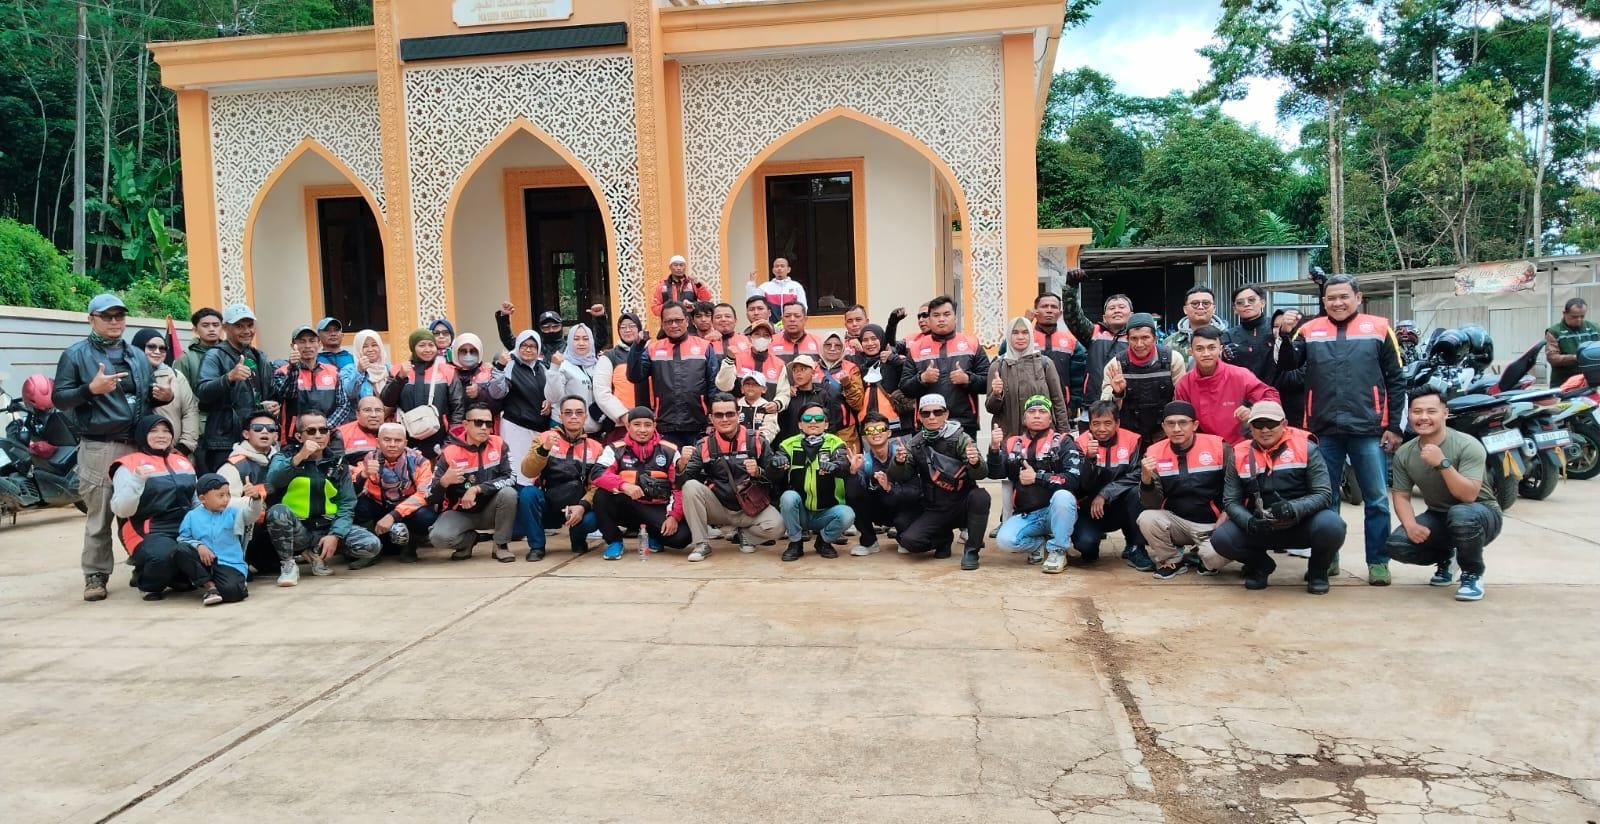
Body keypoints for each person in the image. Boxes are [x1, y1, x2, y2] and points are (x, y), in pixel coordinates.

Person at [1275, 274, 1404, 585]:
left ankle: (1378, 562)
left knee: (1376, 498)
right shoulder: (1309, 330)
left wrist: (1395, 426)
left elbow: (1396, 380)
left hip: (1368, 428)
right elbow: (1287, 365)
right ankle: (1327, 558)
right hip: (1323, 428)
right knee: (1325, 498)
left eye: (1344, 296)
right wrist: (1284, 333)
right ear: (1324, 302)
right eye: (1331, 298)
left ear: (1358, 298)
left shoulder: (1379, 328)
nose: (1337, 302)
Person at [54, 293, 172, 601]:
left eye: (119, 316)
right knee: (101, 513)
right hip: (100, 445)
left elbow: (147, 399)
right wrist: (89, 389)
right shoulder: (76, 355)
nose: (115, 321)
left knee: (140, 511)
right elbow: (59, 398)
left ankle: (143, 564)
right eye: (107, 316)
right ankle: (95, 574)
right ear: (91, 319)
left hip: (138, 445)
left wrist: (164, 396)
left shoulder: (137, 355)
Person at [1209, 401, 1344, 593]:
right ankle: (1261, 566)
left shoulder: (1307, 448)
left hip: (1301, 522)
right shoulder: (1238, 453)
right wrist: (1249, 522)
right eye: (1258, 424)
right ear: (1250, 427)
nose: (1265, 429)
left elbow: (1323, 494)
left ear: (1284, 424)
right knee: (1221, 538)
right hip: (1260, 524)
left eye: (1271, 424)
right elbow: (1231, 500)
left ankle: (1318, 572)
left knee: (1332, 525)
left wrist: (1293, 508)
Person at [1384, 389, 1502, 602]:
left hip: (1482, 514)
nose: (1423, 417)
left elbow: (1468, 495)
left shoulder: (1468, 445)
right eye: (1417, 412)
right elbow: (1401, 495)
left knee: (1461, 515)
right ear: (1409, 415)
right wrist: (1410, 526)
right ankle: (1448, 557)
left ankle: (1472, 573)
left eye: (1431, 411)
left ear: (1445, 413)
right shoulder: (1405, 453)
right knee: (1397, 545)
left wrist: (1442, 463)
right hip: (1439, 516)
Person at [264, 412, 382, 585]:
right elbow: (273, 480)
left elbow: (347, 503)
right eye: (311, 431)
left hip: (327, 528)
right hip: (299, 531)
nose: (318, 435)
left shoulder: (338, 463)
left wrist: (336, 534)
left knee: (371, 545)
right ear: (299, 436)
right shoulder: (284, 457)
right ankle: (289, 565)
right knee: (277, 512)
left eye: (323, 430)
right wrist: (299, 457)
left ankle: (317, 555)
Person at [888, 395, 991, 569]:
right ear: (919, 416)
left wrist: (975, 463)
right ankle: (943, 539)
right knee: (909, 541)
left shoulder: (961, 438)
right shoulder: (915, 444)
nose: (932, 417)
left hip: (962, 504)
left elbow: (981, 474)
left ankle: (972, 551)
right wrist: (898, 461)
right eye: (926, 413)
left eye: (937, 412)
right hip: (936, 507)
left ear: (946, 414)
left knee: (981, 497)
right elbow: (900, 476)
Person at [680, 394, 787, 560]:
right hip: (719, 507)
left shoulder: (757, 440)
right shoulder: (703, 445)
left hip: (750, 508)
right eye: (719, 415)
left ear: (738, 415)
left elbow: (775, 479)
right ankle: (701, 544)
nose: (725, 419)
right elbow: (683, 482)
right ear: (711, 418)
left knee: (778, 527)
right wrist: (681, 464)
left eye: (730, 414)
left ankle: (745, 536)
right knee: (691, 487)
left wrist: (759, 472)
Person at [989, 395, 1089, 573]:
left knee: (1064, 496)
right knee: (1005, 541)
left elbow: (1073, 479)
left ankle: (1058, 550)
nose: (1037, 415)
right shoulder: (1013, 443)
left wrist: (1038, 477)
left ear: (1050, 418)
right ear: (1024, 418)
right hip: (1028, 515)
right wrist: (995, 450)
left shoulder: (1064, 442)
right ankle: (1039, 545)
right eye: (1032, 411)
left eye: (1042, 412)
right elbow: (996, 473)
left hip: (1057, 512)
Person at [1135, 401, 1231, 580]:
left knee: (1213, 558)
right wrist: (1146, 479)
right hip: (1177, 522)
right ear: (1164, 426)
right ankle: (1172, 560)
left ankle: (1202, 557)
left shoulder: (1218, 447)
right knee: (1147, 518)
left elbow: (1236, 489)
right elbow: (1152, 504)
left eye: (1183, 423)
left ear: (1194, 425)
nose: (1176, 429)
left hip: (1213, 524)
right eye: (1170, 423)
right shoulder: (1154, 452)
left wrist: (1227, 514)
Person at [109, 416, 197, 601]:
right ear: (142, 435)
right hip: (148, 529)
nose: (161, 436)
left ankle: (176, 575)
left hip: (183, 525)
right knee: (163, 555)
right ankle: (147, 582)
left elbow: (195, 501)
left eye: (166, 431)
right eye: (154, 431)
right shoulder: (129, 464)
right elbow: (122, 510)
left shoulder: (182, 461)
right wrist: (137, 481)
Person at [591, 407, 691, 560]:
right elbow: (597, 473)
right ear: (628, 426)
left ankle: (653, 534)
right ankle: (614, 541)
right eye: (637, 424)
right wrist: (624, 485)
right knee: (601, 495)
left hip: (656, 507)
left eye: (647, 424)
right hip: (627, 505)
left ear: (654, 426)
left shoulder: (670, 450)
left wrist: (674, 517)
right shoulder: (614, 448)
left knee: (682, 538)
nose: (642, 430)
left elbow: (679, 486)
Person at [424, 403, 519, 561]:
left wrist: (477, 489)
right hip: (461, 512)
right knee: (438, 538)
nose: (484, 428)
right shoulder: (449, 452)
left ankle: (501, 545)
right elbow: (429, 496)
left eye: (488, 424)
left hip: (492, 509)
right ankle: (468, 541)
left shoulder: (498, 444)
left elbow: (511, 477)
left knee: (509, 494)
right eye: (478, 422)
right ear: (465, 425)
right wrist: (444, 482)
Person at [517, 395, 604, 561]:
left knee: (593, 517)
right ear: (560, 416)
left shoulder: (596, 447)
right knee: (527, 493)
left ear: (585, 416)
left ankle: (578, 540)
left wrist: (583, 506)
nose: (573, 416)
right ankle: (536, 547)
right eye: (568, 412)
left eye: (579, 413)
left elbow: (597, 486)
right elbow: (527, 471)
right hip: (548, 503)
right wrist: (544, 449)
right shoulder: (544, 438)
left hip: (577, 506)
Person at [771, 401, 855, 562]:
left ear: (826, 424)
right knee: (788, 497)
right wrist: (777, 463)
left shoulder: (835, 443)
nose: (813, 422)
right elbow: (773, 471)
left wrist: (834, 466)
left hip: (826, 511)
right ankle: (795, 543)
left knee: (847, 515)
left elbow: (843, 463)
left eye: (818, 418)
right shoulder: (788, 444)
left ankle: (823, 541)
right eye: (807, 418)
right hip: (800, 512)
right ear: (800, 424)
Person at [197, 303, 272, 475]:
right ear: (225, 328)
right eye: (239, 326)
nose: (246, 331)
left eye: (250, 325)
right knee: (226, 491)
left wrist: (272, 404)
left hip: (256, 436)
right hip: (225, 440)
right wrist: (228, 377)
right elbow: (202, 391)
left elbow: (264, 394)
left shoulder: (258, 356)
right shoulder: (214, 355)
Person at [629, 302, 716, 449]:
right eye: (669, 321)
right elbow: (634, 376)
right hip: (666, 425)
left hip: (698, 425)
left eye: (678, 320)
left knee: (698, 469)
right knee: (671, 469)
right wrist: (637, 347)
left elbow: (714, 385)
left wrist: (712, 419)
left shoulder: (704, 346)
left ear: (687, 321)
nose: (674, 325)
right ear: (662, 324)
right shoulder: (652, 349)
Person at [1173, 325, 1279, 445]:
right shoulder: (1184, 384)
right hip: (1204, 448)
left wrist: (1254, 411)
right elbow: (1181, 420)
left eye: (1212, 348)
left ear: (1220, 349)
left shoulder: (1239, 375)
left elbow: (1271, 397)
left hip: (1240, 446)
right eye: (1199, 349)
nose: (1206, 353)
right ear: (1191, 352)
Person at [900, 295, 989, 438]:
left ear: (955, 317)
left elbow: (987, 383)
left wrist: (968, 379)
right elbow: (905, 387)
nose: (941, 319)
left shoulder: (972, 344)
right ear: (929, 319)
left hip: (964, 424)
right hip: (927, 423)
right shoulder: (916, 348)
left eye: (946, 314)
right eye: (936, 315)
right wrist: (922, 378)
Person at [1073, 401, 1148, 569]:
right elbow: (1079, 485)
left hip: (1120, 506)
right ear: (1089, 425)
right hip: (1089, 509)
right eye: (1096, 424)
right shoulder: (1079, 443)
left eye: (1108, 423)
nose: (1101, 429)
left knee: (1138, 491)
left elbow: (1137, 474)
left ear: (1118, 423)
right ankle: (1092, 542)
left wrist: (1105, 493)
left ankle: (1136, 546)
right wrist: (1089, 461)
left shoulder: (1131, 440)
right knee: (1086, 548)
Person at [354, 422, 437, 563]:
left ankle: (410, 546)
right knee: (360, 504)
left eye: (398, 440)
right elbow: (351, 489)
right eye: (387, 440)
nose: (392, 444)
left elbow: (424, 494)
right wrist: (363, 475)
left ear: (405, 443)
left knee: (426, 516)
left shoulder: (419, 462)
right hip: (380, 507)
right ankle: (370, 549)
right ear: (378, 442)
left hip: (406, 510)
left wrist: (394, 515)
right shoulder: (369, 460)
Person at [176, 473, 261, 605]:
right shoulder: (192, 516)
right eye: (220, 495)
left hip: (229, 563)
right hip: (205, 561)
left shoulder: (233, 513)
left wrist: (256, 498)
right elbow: (183, 539)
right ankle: (210, 587)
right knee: (180, 550)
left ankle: (231, 584)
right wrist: (199, 546)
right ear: (203, 499)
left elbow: (252, 515)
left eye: (228, 494)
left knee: (233, 593)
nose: (226, 499)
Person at [844, 411, 921, 556]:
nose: (875, 433)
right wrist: (853, 473)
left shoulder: (903, 454)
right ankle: (869, 541)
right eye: (870, 430)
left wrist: (891, 488)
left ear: (889, 432)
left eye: (880, 429)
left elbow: (916, 491)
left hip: (903, 507)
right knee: (854, 495)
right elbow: (853, 495)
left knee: (906, 531)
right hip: (878, 509)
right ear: (865, 437)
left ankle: (903, 536)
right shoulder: (863, 461)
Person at [1103, 313, 1186, 446]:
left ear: (1155, 338)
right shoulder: (1115, 365)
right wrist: (1117, 394)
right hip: (1128, 436)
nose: (1139, 344)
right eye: (1134, 339)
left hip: (1165, 435)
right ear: (1127, 339)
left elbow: (1181, 400)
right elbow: (1106, 410)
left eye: (1145, 338)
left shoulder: (1173, 359)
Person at [381, 328, 465, 457]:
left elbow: (457, 408)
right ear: (413, 347)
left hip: (440, 437)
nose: (427, 349)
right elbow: (387, 400)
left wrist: (450, 441)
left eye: (431, 345)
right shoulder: (398, 369)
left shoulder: (447, 371)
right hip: (406, 439)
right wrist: (400, 377)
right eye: (422, 345)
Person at [216, 408, 279, 574]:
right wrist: (252, 504)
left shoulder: (281, 462)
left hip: (270, 531)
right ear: (246, 434)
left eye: (271, 429)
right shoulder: (233, 466)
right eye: (258, 428)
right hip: (244, 531)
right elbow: (221, 507)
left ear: (276, 436)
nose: (265, 431)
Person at [1059, 270, 1133, 405]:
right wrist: (1071, 287)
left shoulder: (1136, 337)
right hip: (1094, 402)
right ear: (1104, 317)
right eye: (1111, 308)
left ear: (1131, 314)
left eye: (1121, 307)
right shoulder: (1093, 332)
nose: (1117, 310)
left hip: (1127, 403)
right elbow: (1073, 316)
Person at [272, 325, 353, 440]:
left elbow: (343, 405)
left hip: (328, 436)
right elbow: (289, 394)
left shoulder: (333, 371)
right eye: (302, 342)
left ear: (319, 344)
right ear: (292, 346)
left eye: (312, 341)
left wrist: (324, 428)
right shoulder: (282, 372)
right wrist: (294, 368)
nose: (307, 346)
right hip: (294, 437)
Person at [497, 330, 552, 480]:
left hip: (539, 429)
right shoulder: (510, 366)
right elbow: (497, 392)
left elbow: (550, 390)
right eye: (524, 345)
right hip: (515, 427)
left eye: (533, 346)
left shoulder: (542, 368)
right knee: (517, 471)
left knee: (535, 471)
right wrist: (499, 367)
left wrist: (549, 401)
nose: (528, 349)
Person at [135, 328, 199, 458]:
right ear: (138, 348)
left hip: (172, 452)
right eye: (151, 347)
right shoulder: (128, 376)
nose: (157, 352)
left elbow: (190, 411)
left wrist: (184, 447)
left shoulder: (176, 376)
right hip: (134, 452)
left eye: (162, 348)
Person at [850, 323, 909, 435]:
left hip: (896, 427)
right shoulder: (859, 366)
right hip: (869, 429)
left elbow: (909, 374)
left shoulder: (893, 361)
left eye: (874, 339)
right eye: (865, 340)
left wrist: (894, 359)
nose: (870, 343)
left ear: (881, 340)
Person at [716, 319, 789, 407]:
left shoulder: (779, 364)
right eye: (757, 334)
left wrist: (777, 404)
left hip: (767, 415)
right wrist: (729, 360)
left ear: (771, 340)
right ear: (750, 338)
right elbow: (723, 386)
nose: (761, 338)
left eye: (766, 335)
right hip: (739, 414)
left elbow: (784, 393)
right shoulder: (737, 357)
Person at [546, 324, 604, 436]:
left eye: (585, 339)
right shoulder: (563, 366)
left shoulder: (597, 364)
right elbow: (552, 397)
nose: (581, 343)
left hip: (594, 429)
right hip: (565, 430)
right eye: (576, 339)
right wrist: (554, 368)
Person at [1029, 293, 1080, 412]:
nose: (1049, 310)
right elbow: (1006, 353)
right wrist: (1026, 322)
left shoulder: (1071, 341)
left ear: (1060, 313)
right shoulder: (1023, 337)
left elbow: (1078, 378)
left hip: (1062, 405)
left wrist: (1073, 404)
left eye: (1053, 307)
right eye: (1044, 306)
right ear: (1035, 311)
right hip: (1029, 404)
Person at [594, 313, 645, 431]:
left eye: (632, 326)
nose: (627, 330)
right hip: (621, 424)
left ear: (639, 328)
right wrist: (623, 415)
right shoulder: (609, 357)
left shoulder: (650, 352)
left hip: (649, 421)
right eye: (623, 327)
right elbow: (601, 391)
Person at [776, 355, 844, 442]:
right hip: (790, 447)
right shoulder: (787, 395)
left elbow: (831, 424)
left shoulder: (822, 395)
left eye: (802, 369)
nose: (798, 373)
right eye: (794, 370)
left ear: (813, 372)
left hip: (817, 446)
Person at [1221, 284, 1275, 379]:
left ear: (1262, 303)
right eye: (1240, 302)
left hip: (1278, 390)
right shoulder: (1229, 336)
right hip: (1243, 390)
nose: (1246, 304)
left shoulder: (1276, 327)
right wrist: (1224, 356)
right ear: (1235, 309)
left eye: (1251, 300)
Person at [450, 334, 503, 422]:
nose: (468, 355)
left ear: (479, 352)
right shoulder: (449, 374)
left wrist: (480, 393)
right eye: (463, 351)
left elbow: (498, 406)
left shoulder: (489, 373)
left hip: (483, 428)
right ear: (456, 353)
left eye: (473, 351)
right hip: (455, 428)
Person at [1545, 298, 1598, 387]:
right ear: (1565, 313)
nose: (1579, 320)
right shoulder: (1554, 331)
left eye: (1582, 316)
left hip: (1589, 383)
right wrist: (1578, 358)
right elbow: (1552, 358)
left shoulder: (1594, 329)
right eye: (1574, 317)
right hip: (1563, 384)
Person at [1164, 284, 1227, 359]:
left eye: (1206, 303)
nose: (1200, 307)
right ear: (1185, 309)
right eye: (1195, 304)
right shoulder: (1170, 342)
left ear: (1214, 309)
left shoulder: (1228, 338)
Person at [174, 307, 222, 403]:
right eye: (205, 325)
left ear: (222, 327)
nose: (211, 329)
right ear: (195, 330)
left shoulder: (231, 353)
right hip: (200, 415)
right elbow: (179, 393)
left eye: (216, 325)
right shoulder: (185, 358)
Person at [651, 254, 713, 319]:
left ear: (685, 267)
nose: (679, 268)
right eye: (675, 265)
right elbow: (655, 309)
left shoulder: (692, 283)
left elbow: (707, 298)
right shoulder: (662, 285)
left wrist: (698, 284)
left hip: (690, 323)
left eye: (681, 265)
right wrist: (672, 307)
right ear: (670, 267)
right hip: (670, 323)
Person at [747, 256, 807, 322]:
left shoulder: (796, 286)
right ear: (773, 270)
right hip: (771, 326)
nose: (779, 268)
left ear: (788, 269)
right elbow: (753, 301)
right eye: (777, 266)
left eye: (782, 266)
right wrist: (751, 283)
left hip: (790, 324)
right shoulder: (765, 287)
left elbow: (803, 307)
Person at [734, 371, 781, 442]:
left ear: (764, 389)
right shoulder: (735, 406)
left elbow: (770, 430)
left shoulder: (768, 407)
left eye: (755, 384)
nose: (750, 386)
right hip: (737, 445)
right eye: (747, 384)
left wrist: (756, 443)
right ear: (742, 389)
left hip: (760, 447)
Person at [337, 395, 387, 460]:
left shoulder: (395, 432)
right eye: (367, 410)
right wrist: (358, 470)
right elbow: (335, 464)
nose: (373, 415)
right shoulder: (342, 434)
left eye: (378, 410)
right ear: (357, 414)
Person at [347, 329, 391, 401]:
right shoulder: (349, 370)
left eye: (374, 345)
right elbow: (350, 394)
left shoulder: (389, 369)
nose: (370, 349)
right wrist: (359, 371)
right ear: (358, 349)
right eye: (364, 346)